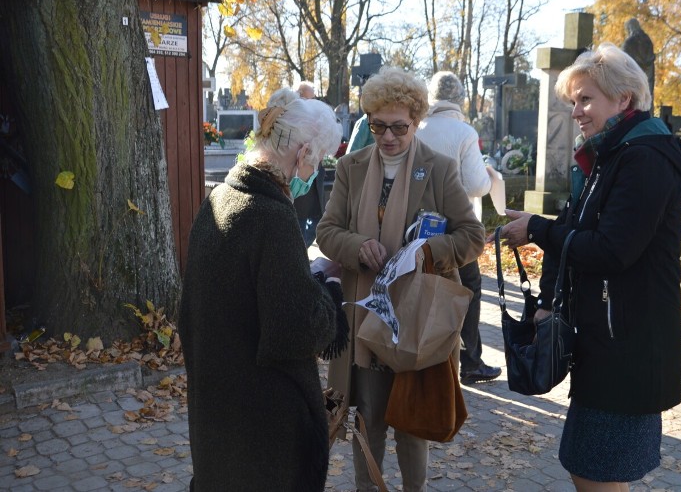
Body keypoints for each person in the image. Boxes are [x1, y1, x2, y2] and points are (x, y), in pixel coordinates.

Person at [493, 43, 681, 491]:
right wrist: (547, 302)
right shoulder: (606, 156)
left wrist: (539, 231)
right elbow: (572, 229)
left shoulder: (645, 159)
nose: (577, 111)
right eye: (573, 101)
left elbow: (611, 250)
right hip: (605, 341)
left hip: (630, 345)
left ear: (623, 99)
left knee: (595, 471)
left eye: (586, 99)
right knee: (590, 468)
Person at [316, 66, 485, 492]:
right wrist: (357, 246)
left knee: (411, 423)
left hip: (417, 320)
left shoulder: (440, 168)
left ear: (415, 118)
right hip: (365, 324)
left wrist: (426, 252)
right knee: (368, 418)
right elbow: (326, 230)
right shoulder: (351, 167)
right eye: (378, 126)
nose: (388, 137)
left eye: (399, 127)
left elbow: (472, 236)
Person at [179, 90, 344, 491]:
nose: (315, 171)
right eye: (319, 160)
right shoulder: (272, 216)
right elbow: (295, 329)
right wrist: (330, 291)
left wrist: (302, 278)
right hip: (262, 434)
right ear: (303, 153)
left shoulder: (220, 197)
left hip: (217, 415)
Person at [417, 71, 502, 385]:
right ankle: (470, 361)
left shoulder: (418, 128)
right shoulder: (464, 132)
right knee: (468, 291)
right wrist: (491, 175)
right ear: (461, 98)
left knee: (424, 287)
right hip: (458, 225)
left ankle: (425, 355)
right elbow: (477, 185)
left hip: (420, 224)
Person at [269, 88, 327, 246]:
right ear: (302, 155)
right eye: (306, 100)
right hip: (297, 210)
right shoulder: (275, 218)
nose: (311, 105)